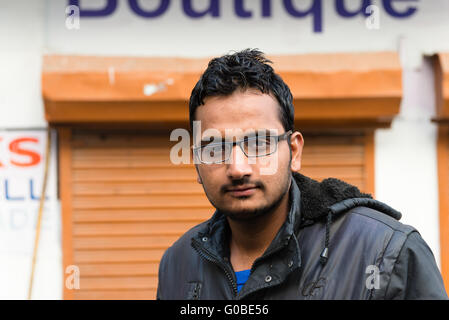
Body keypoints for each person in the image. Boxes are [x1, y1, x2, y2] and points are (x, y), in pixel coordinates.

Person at [156, 49, 448, 300]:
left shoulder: (385, 252)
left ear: (294, 151)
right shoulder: (179, 263)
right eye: (215, 148)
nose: (238, 168)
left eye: (258, 143)